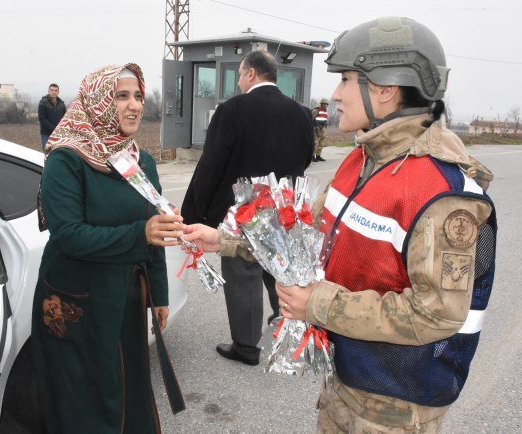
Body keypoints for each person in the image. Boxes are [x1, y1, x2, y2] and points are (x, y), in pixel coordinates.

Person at [182, 17, 497, 434]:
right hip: (346, 382)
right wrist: (221, 239)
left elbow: (437, 313)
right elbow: (300, 232)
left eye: (346, 79)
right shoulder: (362, 162)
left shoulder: (441, 190)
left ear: (385, 88)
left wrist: (318, 303)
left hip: (395, 406)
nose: (335, 94)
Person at [32, 64, 185, 433]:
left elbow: (157, 227)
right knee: (86, 400)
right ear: (99, 102)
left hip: (126, 298)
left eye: (138, 97)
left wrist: (159, 295)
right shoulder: (67, 159)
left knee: (127, 387)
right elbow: (68, 234)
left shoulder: (139, 161)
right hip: (77, 303)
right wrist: (140, 234)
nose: (133, 106)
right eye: (121, 96)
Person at [180, 50, 314, 366]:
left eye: (240, 74)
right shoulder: (301, 112)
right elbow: (307, 157)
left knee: (244, 273)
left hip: (246, 210)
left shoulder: (233, 109)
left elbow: (212, 165)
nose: (239, 81)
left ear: (251, 73)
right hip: (287, 206)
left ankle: (246, 347)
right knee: (281, 270)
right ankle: (291, 333)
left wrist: (195, 213)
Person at [38, 84, 67, 151]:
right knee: (47, 153)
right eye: (52, 90)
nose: (54, 92)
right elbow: (42, 118)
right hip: (46, 134)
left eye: (56, 90)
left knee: (58, 153)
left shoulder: (62, 104)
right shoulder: (43, 103)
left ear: (58, 92)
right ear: (48, 91)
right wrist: (53, 129)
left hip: (58, 134)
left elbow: (64, 119)